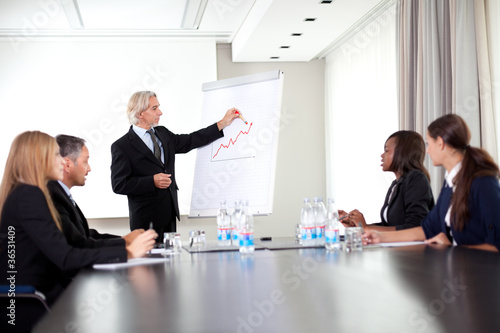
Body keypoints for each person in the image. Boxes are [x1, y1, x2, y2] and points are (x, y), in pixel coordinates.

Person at [0, 131, 157, 307]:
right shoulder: (29, 195)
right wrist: (127, 253)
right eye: (56, 155)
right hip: (32, 301)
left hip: (35, 294)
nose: (63, 161)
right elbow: (66, 257)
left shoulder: (23, 193)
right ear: (39, 159)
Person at [111, 91, 239, 242]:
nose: (160, 112)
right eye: (154, 108)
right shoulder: (122, 146)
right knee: (150, 265)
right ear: (140, 113)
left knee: (170, 262)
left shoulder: (162, 133)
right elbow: (119, 184)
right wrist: (152, 181)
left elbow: (190, 140)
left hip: (169, 214)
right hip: (145, 220)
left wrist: (222, 123)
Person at [363, 114, 500, 252]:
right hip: (461, 268)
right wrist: (379, 237)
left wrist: (453, 248)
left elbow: (497, 243)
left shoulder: (482, 183)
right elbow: (428, 229)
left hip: (482, 270)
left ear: (440, 143)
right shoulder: (450, 184)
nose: (427, 151)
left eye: (429, 144)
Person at [48, 134, 142, 248]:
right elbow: (78, 243)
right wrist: (124, 242)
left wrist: (124, 239)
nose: (89, 168)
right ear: (67, 164)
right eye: (85, 162)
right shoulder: (54, 197)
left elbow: (85, 234)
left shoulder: (60, 193)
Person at [339, 131, 435, 231]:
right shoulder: (396, 184)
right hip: (396, 246)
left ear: (401, 153)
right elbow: (388, 226)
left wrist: (365, 228)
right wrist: (357, 227)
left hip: (413, 246)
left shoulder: (416, 178)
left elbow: (415, 227)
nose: (382, 155)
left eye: (386, 150)